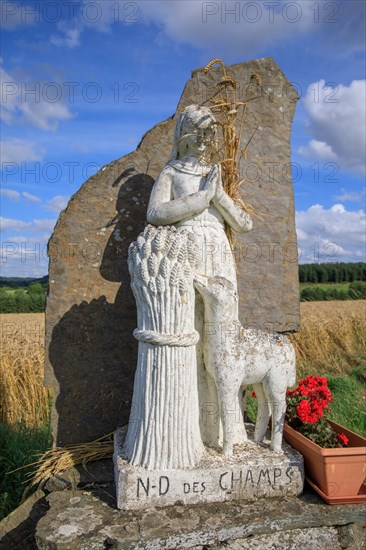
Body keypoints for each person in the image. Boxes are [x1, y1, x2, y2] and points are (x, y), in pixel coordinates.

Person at [147, 104, 252, 448]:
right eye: (200, 132)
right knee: (191, 333)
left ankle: (225, 430)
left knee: (223, 338)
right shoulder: (171, 173)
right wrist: (200, 198)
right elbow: (156, 213)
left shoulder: (214, 175)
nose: (206, 140)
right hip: (187, 252)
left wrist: (217, 195)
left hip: (218, 252)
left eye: (211, 133)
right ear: (184, 136)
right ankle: (192, 427)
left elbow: (243, 224)